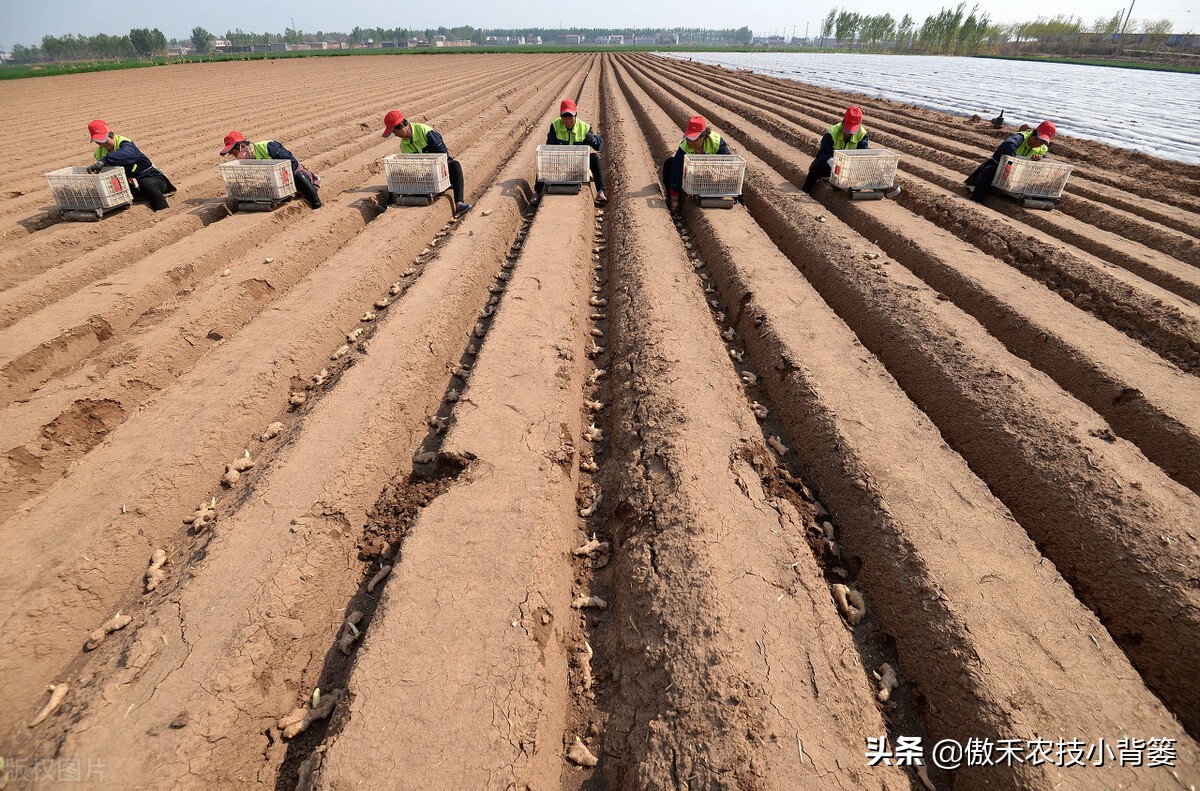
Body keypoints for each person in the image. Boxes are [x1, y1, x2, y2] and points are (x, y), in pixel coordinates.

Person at [381, 110, 470, 215]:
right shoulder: (404, 143)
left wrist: (428, 167)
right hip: (422, 176)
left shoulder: (425, 131)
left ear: (401, 126)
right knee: (395, 174)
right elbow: (410, 165)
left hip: (440, 171)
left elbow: (442, 155)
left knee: (455, 165)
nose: (395, 135)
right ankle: (389, 205)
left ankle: (459, 204)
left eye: (394, 132)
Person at [530, 99, 607, 207]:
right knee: (544, 159)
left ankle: (600, 192)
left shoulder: (584, 128)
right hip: (560, 162)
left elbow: (598, 146)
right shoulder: (555, 126)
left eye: (570, 117)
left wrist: (592, 139)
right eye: (564, 117)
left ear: (575, 115)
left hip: (578, 163)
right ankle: (537, 192)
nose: (567, 120)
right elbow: (549, 147)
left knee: (594, 158)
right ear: (561, 116)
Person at [86, 119, 175, 211]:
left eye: (103, 139)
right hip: (128, 184)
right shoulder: (99, 153)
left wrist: (104, 161)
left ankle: (163, 210)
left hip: (151, 177)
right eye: (98, 141)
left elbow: (127, 155)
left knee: (147, 184)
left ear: (110, 134)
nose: (102, 143)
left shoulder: (125, 143)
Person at [219, 131, 322, 209]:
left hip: (289, 177)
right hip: (274, 185)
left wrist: (277, 173)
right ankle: (284, 197)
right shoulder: (248, 160)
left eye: (235, 153)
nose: (235, 157)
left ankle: (316, 203)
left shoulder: (268, 146)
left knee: (299, 175)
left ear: (242, 147)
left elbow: (292, 163)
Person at [965, 120, 1056, 203]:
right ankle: (976, 199)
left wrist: (1039, 159)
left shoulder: (1043, 149)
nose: (1037, 143)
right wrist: (1014, 161)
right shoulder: (1021, 137)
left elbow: (1043, 163)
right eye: (1036, 139)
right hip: (1000, 169)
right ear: (1033, 132)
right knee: (989, 170)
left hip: (1018, 175)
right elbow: (1007, 146)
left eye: (1041, 141)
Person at [661, 115, 732, 213]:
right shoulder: (684, 146)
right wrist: (674, 198)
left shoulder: (716, 142)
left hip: (712, 177)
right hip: (693, 177)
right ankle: (673, 198)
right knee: (669, 164)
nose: (690, 142)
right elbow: (676, 171)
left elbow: (730, 167)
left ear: (703, 136)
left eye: (694, 139)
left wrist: (741, 200)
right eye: (689, 138)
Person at [801, 106, 869, 194]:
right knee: (817, 166)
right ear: (843, 122)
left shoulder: (862, 135)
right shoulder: (832, 133)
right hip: (832, 168)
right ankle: (805, 191)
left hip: (850, 170)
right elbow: (821, 154)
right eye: (847, 128)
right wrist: (830, 160)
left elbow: (862, 154)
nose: (849, 133)